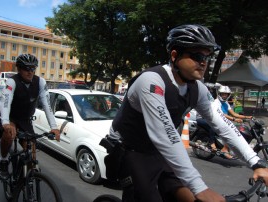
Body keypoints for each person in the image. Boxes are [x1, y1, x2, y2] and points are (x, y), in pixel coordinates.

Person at [108, 24, 268, 202]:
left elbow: (221, 124)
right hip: (131, 149)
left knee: (187, 197)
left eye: (207, 57)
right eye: (197, 56)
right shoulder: (151, 81)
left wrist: (256, 162)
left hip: (160, 151)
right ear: (175, 55)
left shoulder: (197, 88)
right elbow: (165, 134)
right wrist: (200, 188)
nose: (203, 62)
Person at [0, 53, 60, 179]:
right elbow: (5, 102)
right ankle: (3, 160)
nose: (30, 72)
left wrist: (54, 126)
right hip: (10, 117)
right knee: (9, 135)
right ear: (19, 69)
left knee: (31, 153)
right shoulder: (12, 81)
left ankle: (26, 179)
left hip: (25, 119)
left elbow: (47, 105)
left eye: (33, 68)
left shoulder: (40, 82)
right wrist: (5, 122)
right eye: (26, 68)